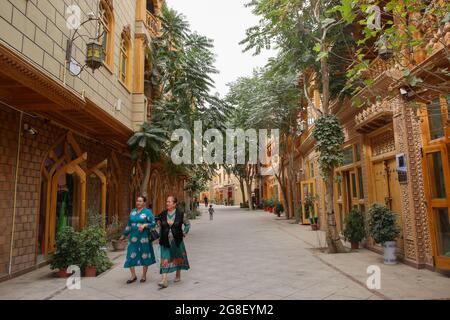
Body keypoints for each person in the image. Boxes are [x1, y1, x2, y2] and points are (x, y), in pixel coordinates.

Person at [120, 196, 156, 284]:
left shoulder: (147, 212)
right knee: (130, 255)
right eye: (137, 201)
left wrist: (144, 225)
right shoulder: (133, 212)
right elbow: (129, 224)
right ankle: (133, 276)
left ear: (144, 203)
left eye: (140, 201)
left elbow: (153, 223)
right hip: (133, 238)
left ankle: (144, 275)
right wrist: (124, 235)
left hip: (144, 238)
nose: (138, 202)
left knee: (145, 255)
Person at [158, 196, 190, 288]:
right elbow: (161, 226)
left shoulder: (181, 214)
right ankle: (164, 279)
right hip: (165, 240)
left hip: (177, 240)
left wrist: (184, 232)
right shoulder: (163, 214)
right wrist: (159, 237)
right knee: (165, 257)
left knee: (177, 256)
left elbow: (187, 224)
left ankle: (178, 274)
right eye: (167, 201)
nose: (167, 203)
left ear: (174, 204)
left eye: (169, 202)